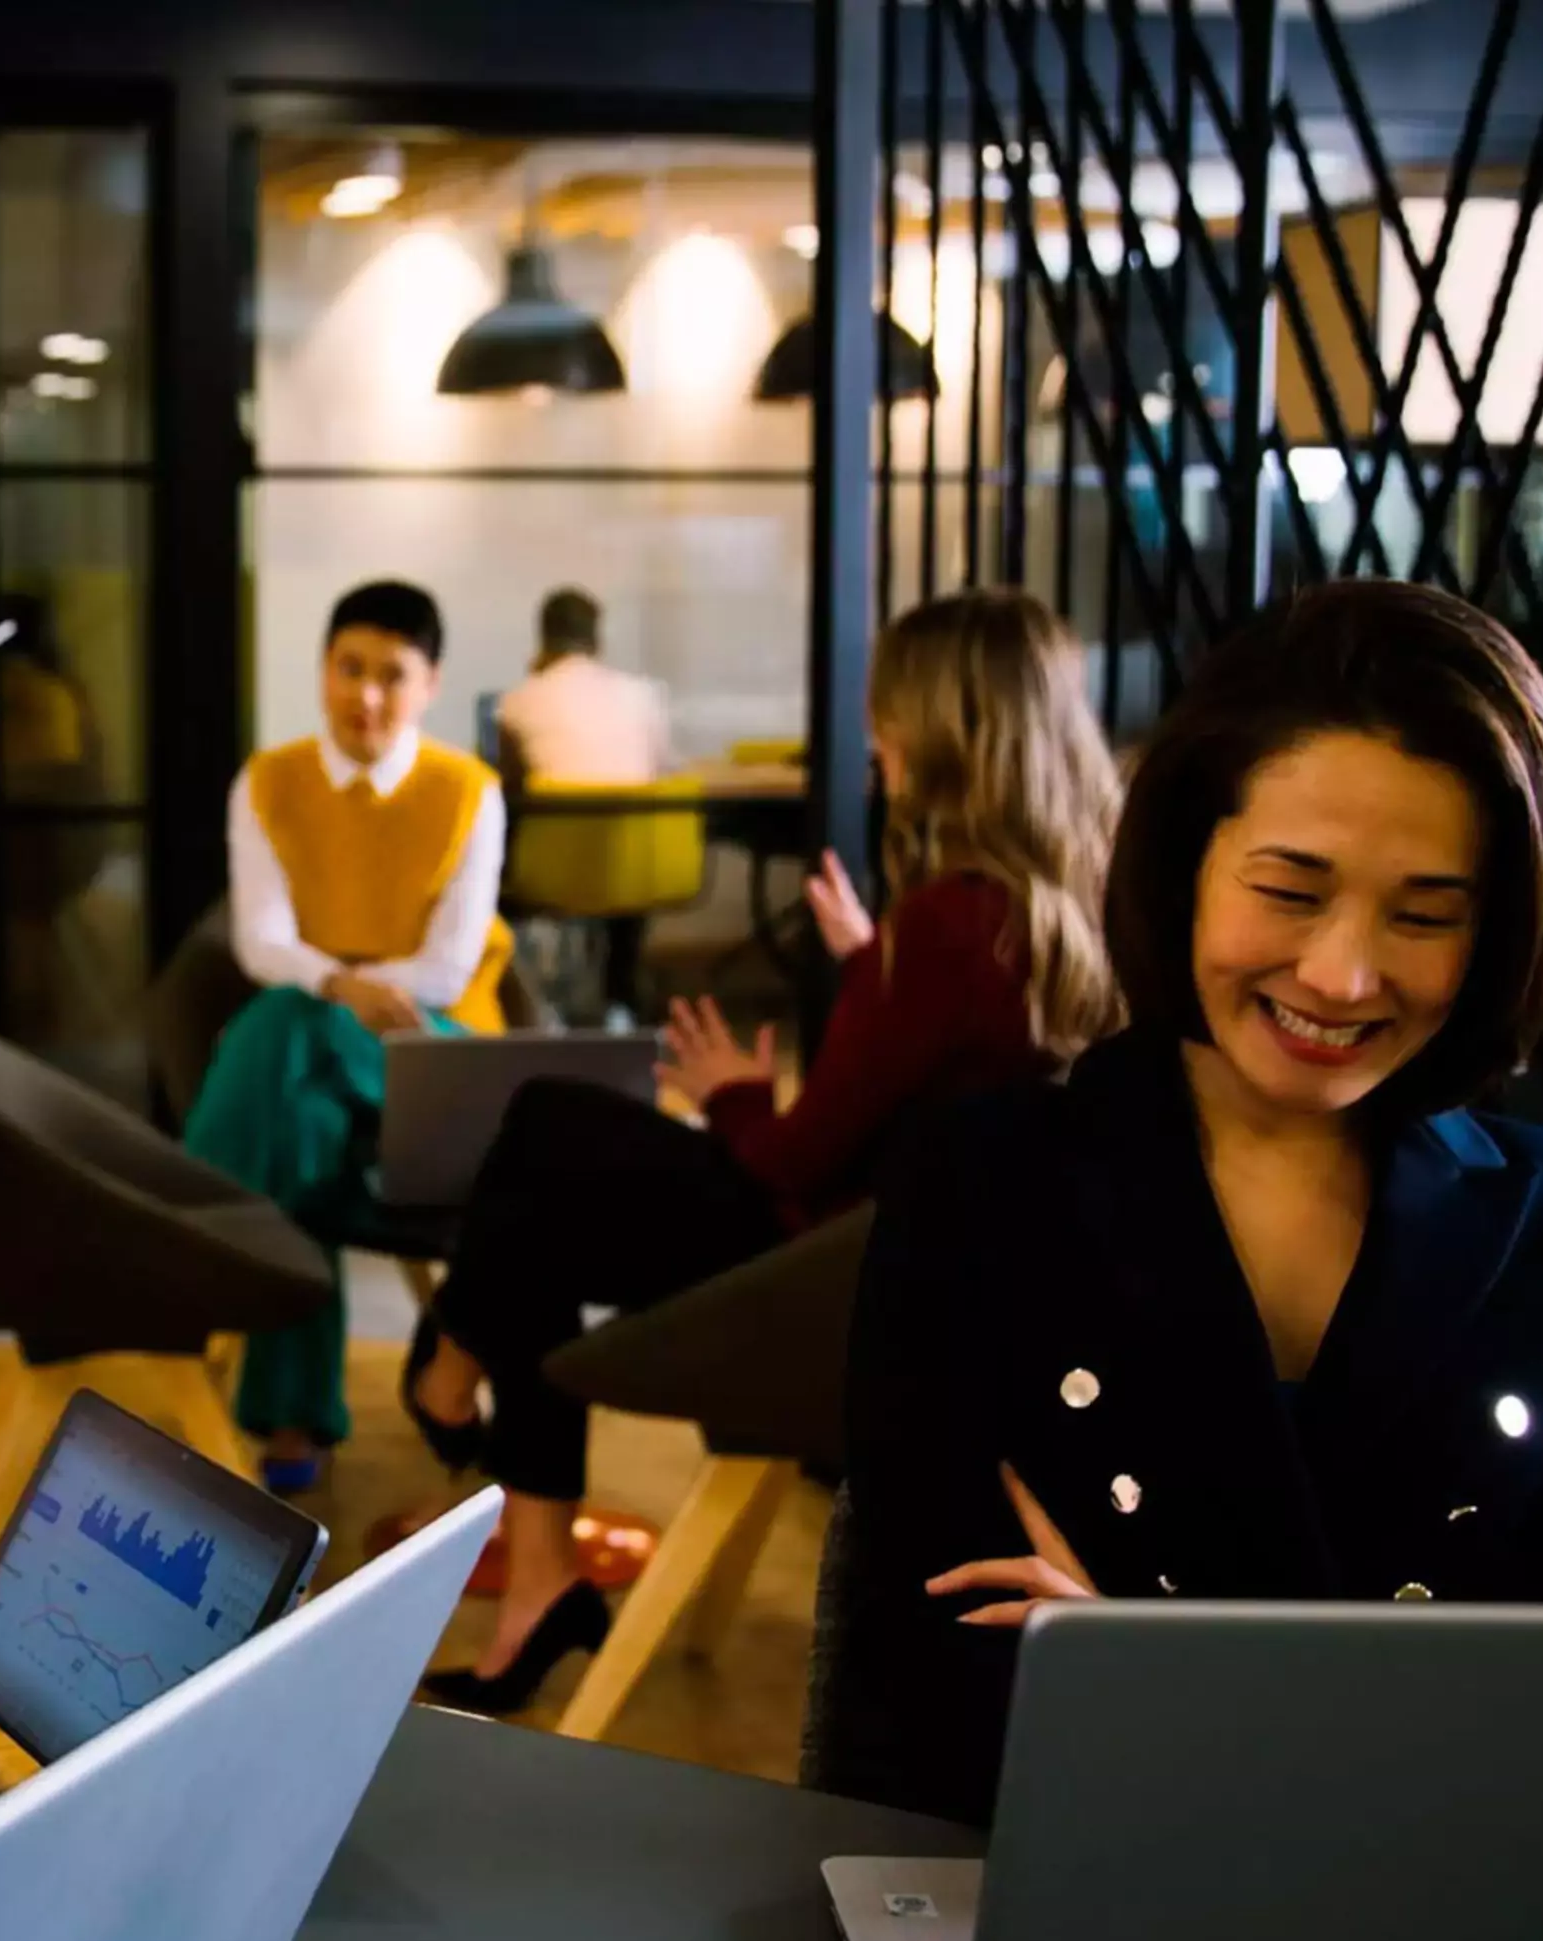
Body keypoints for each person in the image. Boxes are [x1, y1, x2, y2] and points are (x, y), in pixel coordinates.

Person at [836, 579, 1543, 1828]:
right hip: (1065, 1905)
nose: (1341, 973)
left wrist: (1152, 1685)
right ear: (1186, 860)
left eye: (1425, 915)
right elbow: (921, 1699)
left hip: (1470, 1937)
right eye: (1290, 890)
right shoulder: (984, 1186)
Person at [406, 589, 1124, 1712]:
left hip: (830, 1282)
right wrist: (872, 970)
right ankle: (533, 1565)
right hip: (901, 1271)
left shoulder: (947, 928)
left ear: (943, 732)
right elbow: (943, 1088)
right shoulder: (1071, 903)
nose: (875, 744)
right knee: (542, 1190)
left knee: (547, 1127)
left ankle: (454, 1361)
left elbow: (785, 1161)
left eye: (888, 718)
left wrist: (734, 1092)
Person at [187, 579, 511, 1492]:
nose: (366, 695)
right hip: (316, 1037)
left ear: (431, 683)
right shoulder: (268, 782)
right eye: (348, 669)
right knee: (303, 1129)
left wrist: (340, 989)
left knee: (288, 1027)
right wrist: (335, 987)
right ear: (322, 669)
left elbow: (447, 970)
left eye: (392, 676)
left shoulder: (468, 793)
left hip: (432, 1043)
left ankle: (197, 1227)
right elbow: (263, 940)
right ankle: (292, 1415)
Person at [493, 586, 673, 788]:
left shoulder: (518, 701)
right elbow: (661, 771)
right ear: (597, 642)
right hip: (638, 818)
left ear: (543, 640)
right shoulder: (642, 695)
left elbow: (506, 781)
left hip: (556, 818)